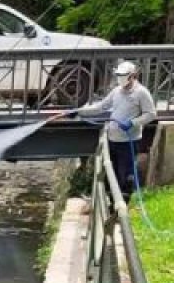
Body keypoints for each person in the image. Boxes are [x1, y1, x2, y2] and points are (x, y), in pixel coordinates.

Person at [67, 61, 157, 197]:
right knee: (112, 171)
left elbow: (151, 114)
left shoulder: (141, 93)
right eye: (118, 75)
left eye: (123, 76)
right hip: (113, 140)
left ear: (133, 76)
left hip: (129, 141)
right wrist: (79, 111)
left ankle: (125, 203)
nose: (120, 78)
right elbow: (100, 107)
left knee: (126, 174)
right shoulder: (116, 92)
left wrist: (133, 123)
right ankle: (112, 200)